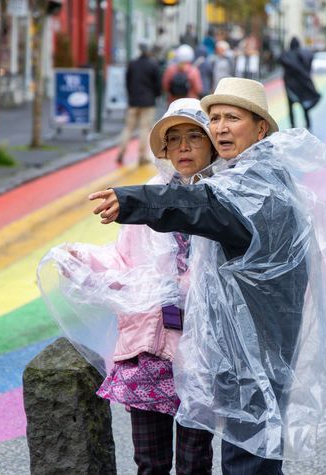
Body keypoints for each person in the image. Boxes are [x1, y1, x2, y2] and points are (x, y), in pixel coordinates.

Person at [89, 78, 326, 473]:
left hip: (255, 349)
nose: (220, 127)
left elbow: (203, 207)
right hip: (245, 346)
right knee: (249, 451)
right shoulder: (248, 175)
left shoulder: (256, 185)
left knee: (247, 461)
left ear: (260, 128)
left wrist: (133, 200)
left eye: (232, 118)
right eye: (215, 117)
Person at [38, 98, 219, 474]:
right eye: (174, 139)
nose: (183, 147)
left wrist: (179, 287)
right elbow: (124, 262)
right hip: (147, 349)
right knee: (150, 461)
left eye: (194, 137)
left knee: (194, 460)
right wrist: (82, 260)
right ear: (165, 150)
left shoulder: (223, 199)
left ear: (211, 144)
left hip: (201, 351)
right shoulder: (146, 199)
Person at [116, 43, 161, 165]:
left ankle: (121, 152)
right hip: (148, 101)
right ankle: (142, 156)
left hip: (133, 101)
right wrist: (155, 96)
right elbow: (158, 85)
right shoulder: (153, 65)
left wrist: (131, 95)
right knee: (144, 129)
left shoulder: (132, 64)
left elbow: (127, 82)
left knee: (128, 128)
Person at [279, 37, 320, 130]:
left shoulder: (288, 55)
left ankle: (293, 126)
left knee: (291, 107)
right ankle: (308, 125)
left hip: (290, 86)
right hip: (301, 86)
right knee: (305, 107)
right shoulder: (304, 54)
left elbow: (280, 59)